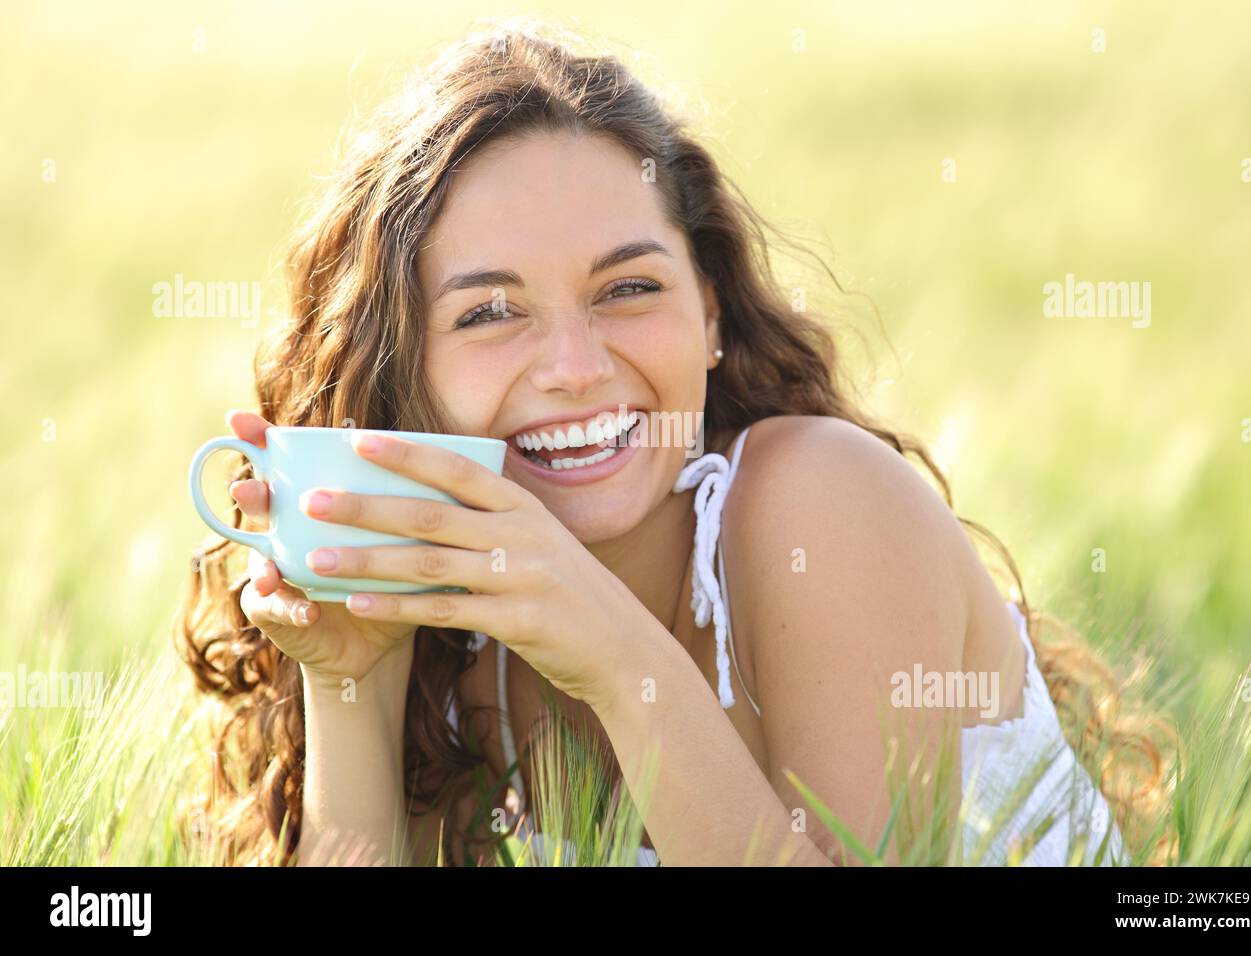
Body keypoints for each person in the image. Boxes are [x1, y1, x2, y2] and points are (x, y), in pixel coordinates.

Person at [177, 19, 1170, 867]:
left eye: (628, 288)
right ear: (405, 374)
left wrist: (611, 653)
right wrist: (358, 679)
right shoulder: (461, 638)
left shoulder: (818, 508)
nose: (574, 363)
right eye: (488, 311)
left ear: (710, 312)